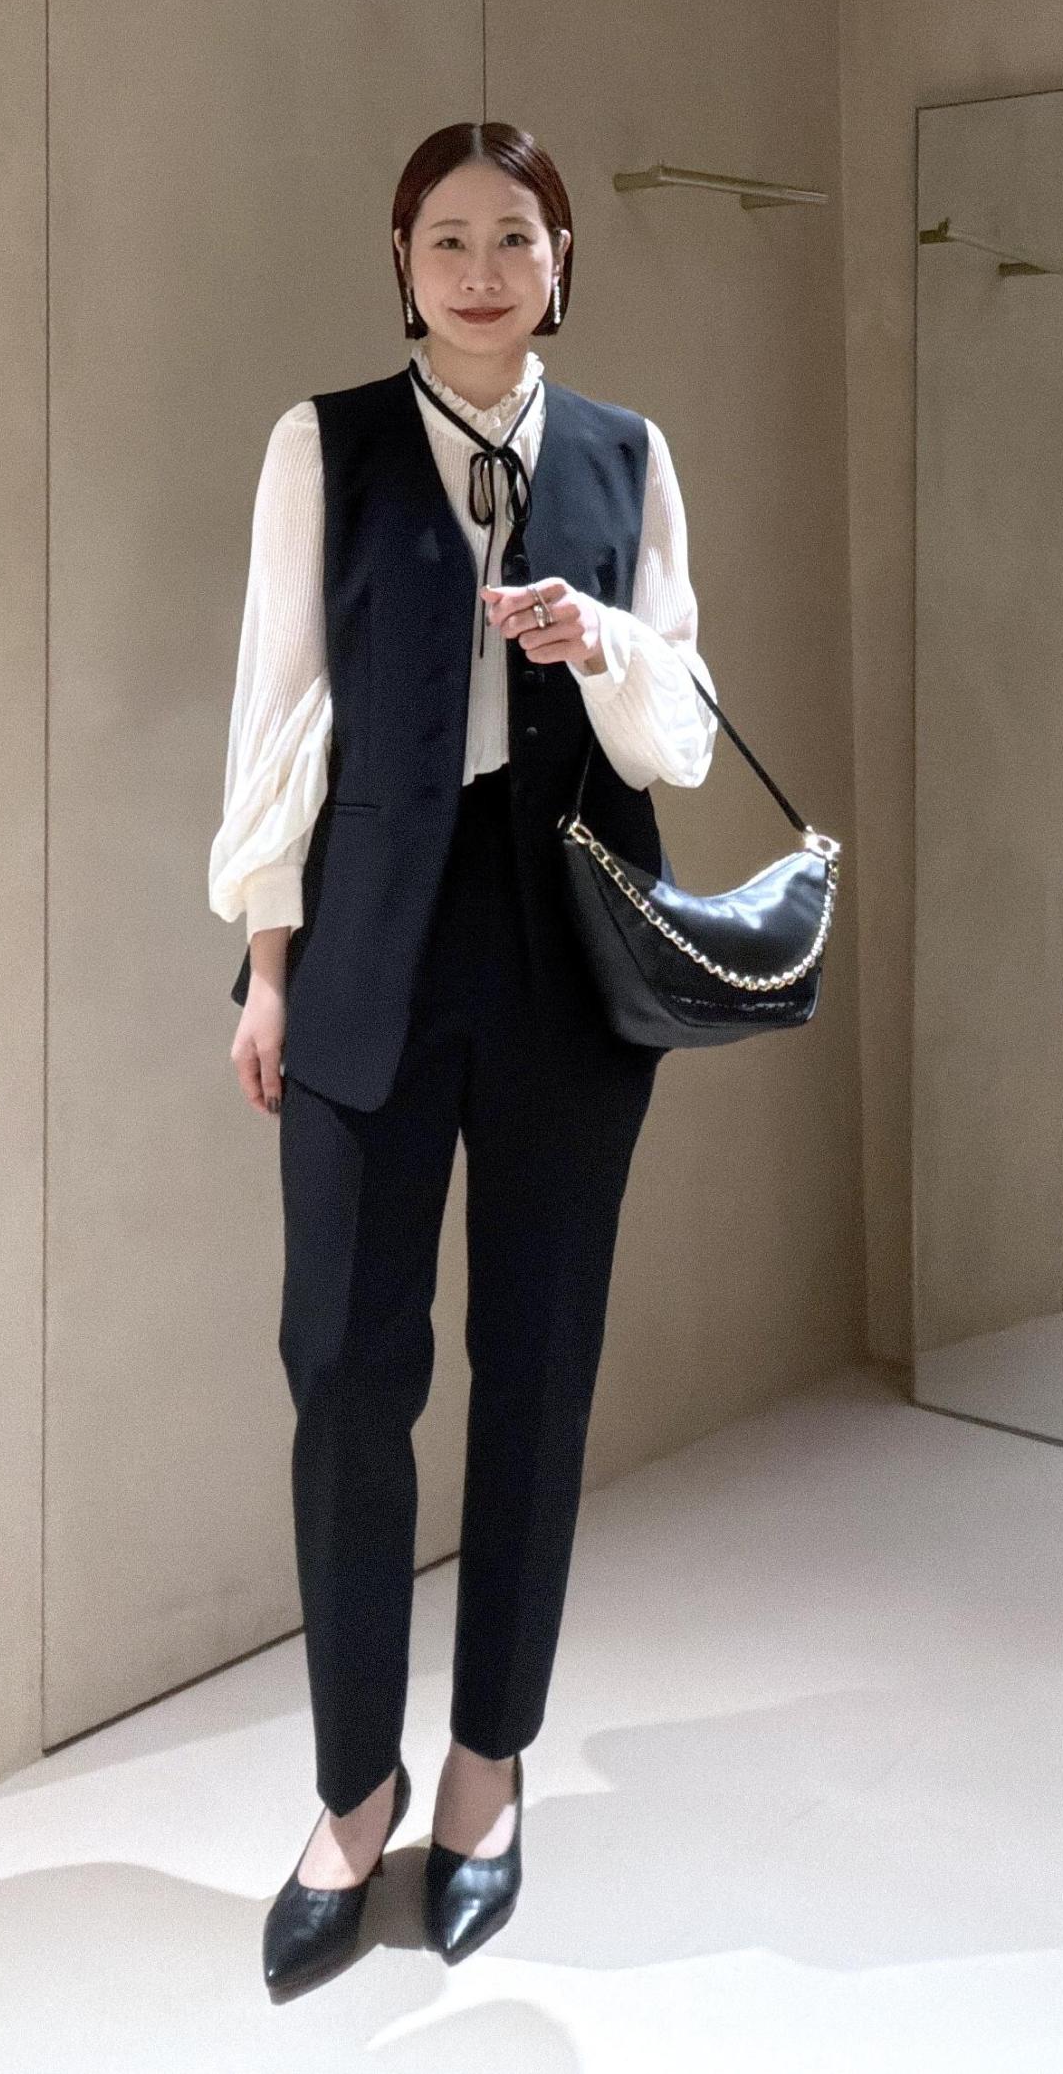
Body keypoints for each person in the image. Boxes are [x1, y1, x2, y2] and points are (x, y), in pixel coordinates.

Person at [207, 120, 719, 1994]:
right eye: (448, 237)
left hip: (562, 950)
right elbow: (280, 710)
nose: (483, 269)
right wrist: (268, 968)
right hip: (367, 945)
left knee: (540, 1367)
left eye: (517, 235)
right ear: (402, 262)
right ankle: (356, 1792)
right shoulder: (322, 444)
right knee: (345, 1369)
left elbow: (680, 731)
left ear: (564, 259)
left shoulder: (626, 455)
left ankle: (489, 1771)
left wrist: (602, 647)